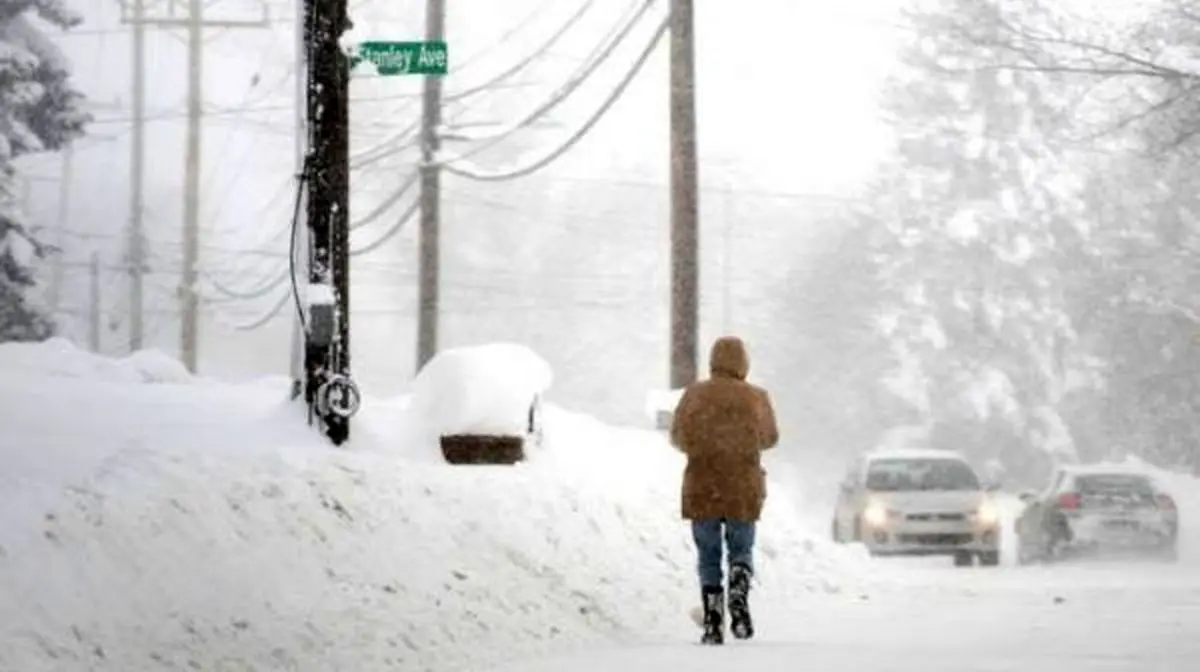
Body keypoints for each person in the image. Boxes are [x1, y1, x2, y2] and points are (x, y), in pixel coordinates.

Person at [670, 335, 779, 645]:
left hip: (702, 485)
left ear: (713, 360)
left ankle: (713, 619)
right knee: (741, 549)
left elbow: (678, 436)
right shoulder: (756, 397)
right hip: (743, 485)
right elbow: (770, 438)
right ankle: (739, 593)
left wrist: (706, 445)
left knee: (708, 554)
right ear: (743, 362)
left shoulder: (694, 395)